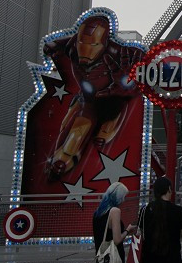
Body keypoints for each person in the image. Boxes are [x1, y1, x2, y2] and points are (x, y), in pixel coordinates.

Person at [44, 15, 144, 181]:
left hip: (113, 102)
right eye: (82, 43)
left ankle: (106, 127)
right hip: (88, 99)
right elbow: (55, 45)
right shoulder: (71, 46)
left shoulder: (120, 53)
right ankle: (61, 160)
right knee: (76, 129)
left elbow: (137, 71)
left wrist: (123, 86)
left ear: (103, 43)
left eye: (93, 44)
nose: (86, 49)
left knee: (103, 125)